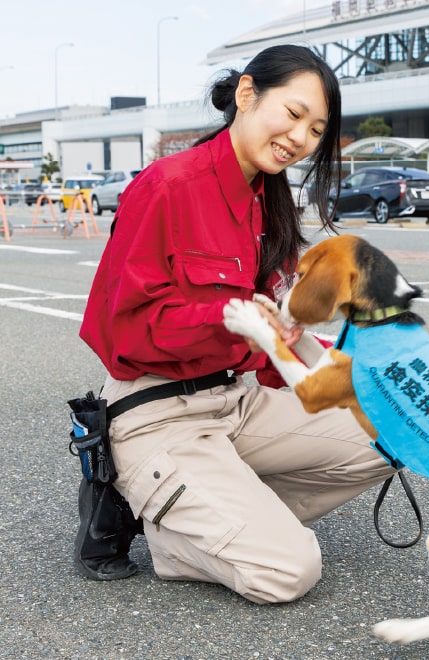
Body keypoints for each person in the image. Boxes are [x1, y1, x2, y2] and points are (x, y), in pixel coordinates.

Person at [78, 44, 396, 603]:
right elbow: (123, 332)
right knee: (288, 572)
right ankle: (167, 527)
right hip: (157, 413)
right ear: (247, 95)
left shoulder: (267, 201)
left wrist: (313, 353)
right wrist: (235, 321)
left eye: (317, 129)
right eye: (294, 114)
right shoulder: (168, 186)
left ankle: (222, 509)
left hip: (235, 402)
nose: (301, 138)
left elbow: (273, 338)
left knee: (395, 429)